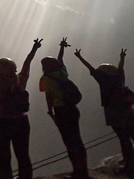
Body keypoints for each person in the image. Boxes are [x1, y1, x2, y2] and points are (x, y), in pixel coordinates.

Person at [74, 48, 134, 179]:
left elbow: (91, 69)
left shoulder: (102, 79)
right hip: (129, 111)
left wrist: (79, 56)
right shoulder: (119, 77)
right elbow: (121, 67)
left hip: (114, 113)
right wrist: (122, 57)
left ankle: (131, 168)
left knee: (124, 140)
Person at [0, 36, 42, 179]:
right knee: (23, 155)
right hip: (21, 121)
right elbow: (28, 62)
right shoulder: (21, 79)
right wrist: (34, 48)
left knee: (3, 157)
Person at [39, 38, 90, 179]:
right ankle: (84, 171)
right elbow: (60, 59)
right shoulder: (63, 72)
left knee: (69, 142)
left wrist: (50, 111)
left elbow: (49, 96)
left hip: (61, 110)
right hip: (73, 108)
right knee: (78, 140)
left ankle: (77, 172)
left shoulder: (46, 79)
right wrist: (61, 47)